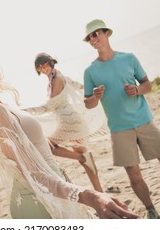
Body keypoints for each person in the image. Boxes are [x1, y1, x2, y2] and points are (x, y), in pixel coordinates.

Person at [0, 43, 140, 219]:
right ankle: (83, 158)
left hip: (50, 192)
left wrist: (39, 140)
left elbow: (25, 152)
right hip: (40, 203)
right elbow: (35, 176)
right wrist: (93, 197)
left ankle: (83, 158)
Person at [82, 19, 160, 219]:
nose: (93, 39)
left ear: (106, 34)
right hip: (119, 129)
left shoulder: (129, 58)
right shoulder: (90, 71)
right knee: (134, 175)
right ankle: (151, 209)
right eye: (89, 37)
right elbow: (88, 103)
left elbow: (148, 84)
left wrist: (137, 90)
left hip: (144, 121)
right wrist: (94, 96)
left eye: (96, 34)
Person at [24, 53, 108, 192]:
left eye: (44, 65)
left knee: (49, 146)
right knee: (86, 161)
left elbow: (49, 106)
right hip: (70, 120)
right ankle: (99, 190)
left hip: (69, 121)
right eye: (40, 68)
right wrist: (91, 89)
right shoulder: (55, 76)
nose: (43, 69)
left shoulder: (57, 79)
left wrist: (27, 110)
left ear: (50, 63)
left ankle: (81, 157)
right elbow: (76, 85)